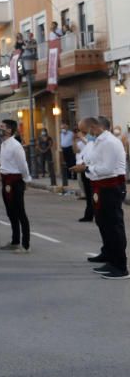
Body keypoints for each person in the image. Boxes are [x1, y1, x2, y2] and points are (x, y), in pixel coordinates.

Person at [72, 117, 127, 279]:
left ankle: (120, 266)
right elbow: (90, 159)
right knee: (103, 223)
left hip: (111, 186)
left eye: (84, 130)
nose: (84, 134)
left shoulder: (109, 142)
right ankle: (109, 256)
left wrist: (86, 168)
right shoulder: (97, 141)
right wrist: (86, 165)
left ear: (93, 127)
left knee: (113, 225)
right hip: (100, 186)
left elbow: (107, 168)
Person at [0, 119, 32, 253]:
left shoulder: (15, 145)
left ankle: (25, 244)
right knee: (10, 212)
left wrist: (26, 180)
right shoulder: (4, 144)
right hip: (6, 180)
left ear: (9, 130)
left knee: (20, 212)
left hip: (15, 180)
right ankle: (15, 241)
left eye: (2, 127)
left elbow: (23, 165)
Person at [75, 130, 95, 222]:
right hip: (83, 169)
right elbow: (78, 152)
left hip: (90, 170)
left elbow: (91, 149)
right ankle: (89, 214)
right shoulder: (86, 143)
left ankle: (91, 214)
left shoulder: (91, 140)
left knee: (92, 194)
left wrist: (82, 138)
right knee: (88, 194)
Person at [59, 121, 76, 187]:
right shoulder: (61, 133)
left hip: (70, 148)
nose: (63, 127)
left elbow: (74, 139)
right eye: (62, 126)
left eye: (65, 126)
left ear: (67, 126)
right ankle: (68, 176)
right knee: (66, 163)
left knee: (72, 162)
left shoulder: (71, 133)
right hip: (64, 149)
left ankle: (74, 176)